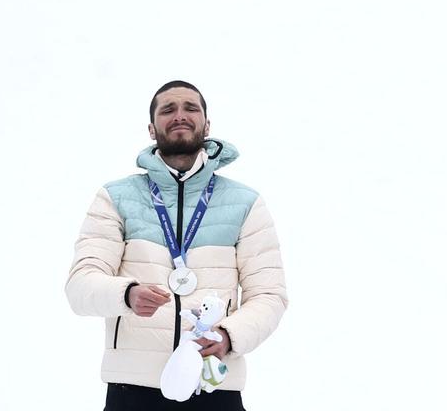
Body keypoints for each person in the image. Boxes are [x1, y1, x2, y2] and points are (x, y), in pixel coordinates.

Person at [66, 80, 287, 410]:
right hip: (133, 389)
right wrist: (126, 294)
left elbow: (270, 295)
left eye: (190, 108)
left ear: (207, 125)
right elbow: (80, 285)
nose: (179, 115)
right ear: (153, 129)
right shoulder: (116, 197)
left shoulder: (245, 203)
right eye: (168, 109)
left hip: (213, 385)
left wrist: (228, 335)